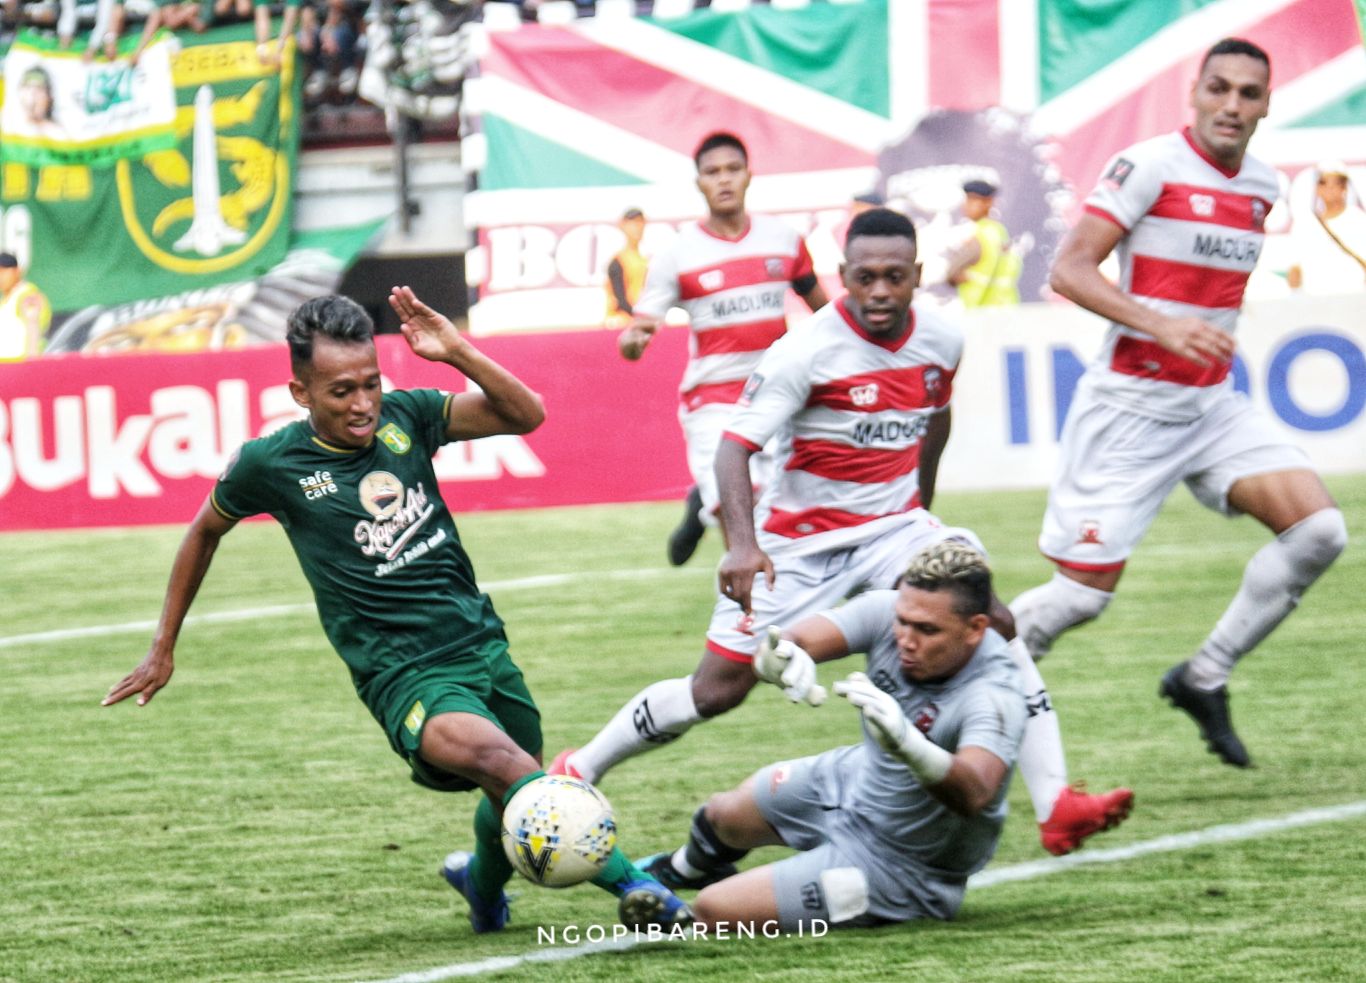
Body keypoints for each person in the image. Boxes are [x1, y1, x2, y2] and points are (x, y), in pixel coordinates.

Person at [101, 288, 693, 933]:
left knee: (511, 784)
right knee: (509, 767)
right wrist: (163, 646)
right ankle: (642, 889)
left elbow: (527, 415)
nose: (362, 405)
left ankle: (482, 887)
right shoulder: (270, 463)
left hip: (479, 643)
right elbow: (203, 531)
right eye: (340, 392)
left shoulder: (405, 418)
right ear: (301, 393)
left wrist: (456, 350)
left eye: (370, 385)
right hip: (402, 676)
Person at [557, 209, 1131, 856]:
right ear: (844, 278)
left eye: (894, 276)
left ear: (917, 275)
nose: (880, 291)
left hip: (895, 528)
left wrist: (922, 509)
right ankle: (581, 767)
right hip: (798, 544)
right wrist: (744, 545)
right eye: (865, 278)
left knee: (992, 619)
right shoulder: (806, 350)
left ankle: (1057, 804)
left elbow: (934, 414)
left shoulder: (943, 336)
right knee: (715, 689)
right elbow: (733, 449)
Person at [1010, 38, 1347, 768]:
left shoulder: (1261, 186)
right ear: (1193, 93)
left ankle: (1203, 674)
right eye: (1218, 88)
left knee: (1319, 532)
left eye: (1248, 93)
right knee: (1079, 599)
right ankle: (958, 681)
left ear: (1265, 105)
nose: (1231, 105)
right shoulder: (1149, 166)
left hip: (1211, 407)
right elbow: (1068, 270)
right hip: (1130, 406)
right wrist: (1162, 324)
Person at [642, 542, 1028, 930]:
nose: (906, 640)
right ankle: (684, 869)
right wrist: (780, 657)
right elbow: (791, 640)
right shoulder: (889, 610)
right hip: (854, 779)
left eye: (927, 630)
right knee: (723, 815)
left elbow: (975, 792)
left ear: (976, 628)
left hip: (902, 865)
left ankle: (900, 900)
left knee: (713, 910)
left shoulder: (995, 693)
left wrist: (908, 744)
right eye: (903, 621)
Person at [618, 132, 828, 567]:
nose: (724, 180)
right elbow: (639, 329)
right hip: (712, 398)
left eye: (733, 169)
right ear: (699, 183)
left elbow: (823, 311)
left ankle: (701, 506)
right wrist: (633, 342)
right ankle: (746, 617)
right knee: (740, 509)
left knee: (782, 510)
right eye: (713, 173)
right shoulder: (677, 256)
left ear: (749, 175)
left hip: (776, 392)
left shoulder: (784, 240)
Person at [1286, 160, 1366, 296]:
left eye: (1337, 182)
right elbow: (1295, 270)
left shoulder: (1359, 220)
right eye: (1323, 182)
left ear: (1345, 187)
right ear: (1317, 188)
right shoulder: (1305, 224)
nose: (1329, 187)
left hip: (1354, 302)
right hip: (1315, 304)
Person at [954, 179, 1021, 307]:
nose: (966, 205)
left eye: (973, 200)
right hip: (1005, 311)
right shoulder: (1000, 232)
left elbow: (952, 274)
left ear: (989, 203)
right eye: (967, 200)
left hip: (982, 314)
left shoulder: (979, 236)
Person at [0, 251, 52, 362]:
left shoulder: (28, 296)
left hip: (20, 367)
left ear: (17, 271)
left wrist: (31, 367)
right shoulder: (6, 299)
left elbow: (36, 332)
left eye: (3, 271)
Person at [603, 207, 647, 329]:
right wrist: (640, 315)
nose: (638, 228)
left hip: (640, 319)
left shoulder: (645, 260)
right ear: (623, 226)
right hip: (621, 321)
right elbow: (620, 299)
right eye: (633, 223)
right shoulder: (618, 261)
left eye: (640, 223)